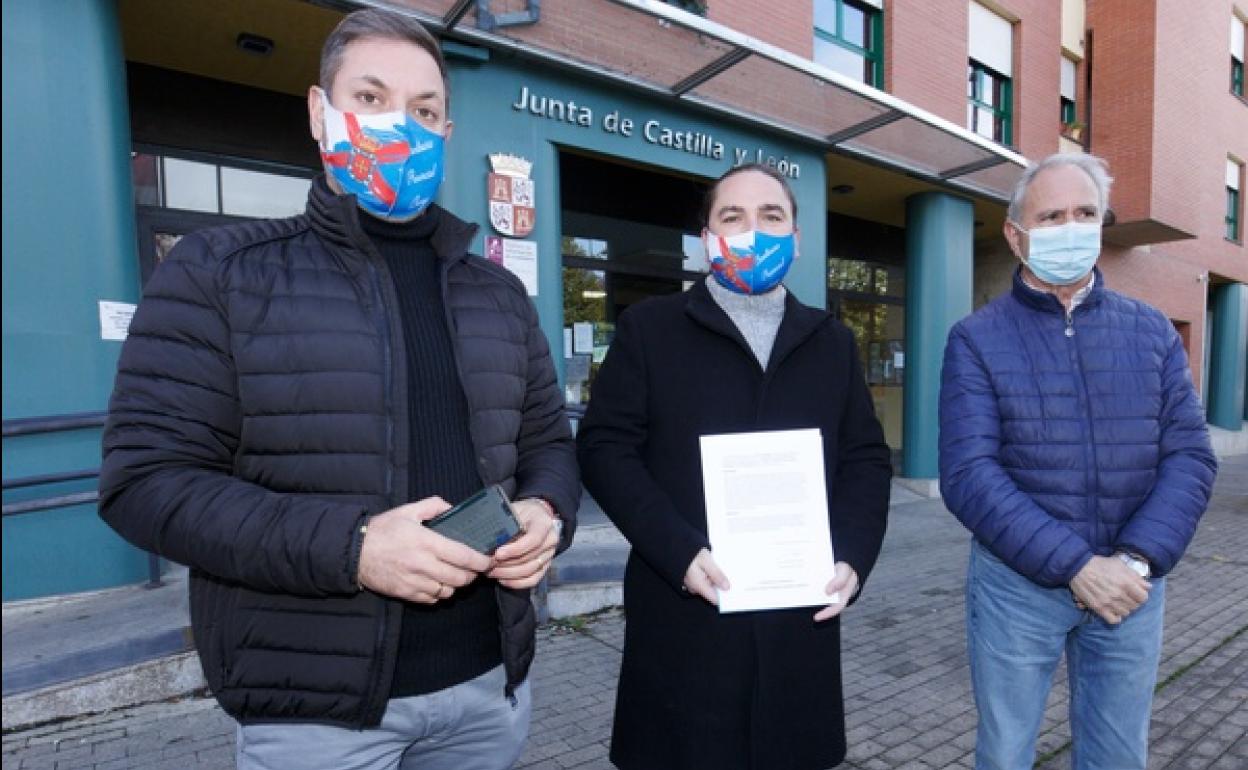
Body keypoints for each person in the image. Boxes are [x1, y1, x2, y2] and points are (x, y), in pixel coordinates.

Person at [98, 9, 579, 770]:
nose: (401, 126)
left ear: (447, 133)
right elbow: (145, 484)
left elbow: (548, 439)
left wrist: (547, 510)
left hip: (489, 689)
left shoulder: (498, 293)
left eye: (424, 111)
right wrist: (352, 548)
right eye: (371, 98)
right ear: (320, 114)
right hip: (316, 713)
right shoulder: (217, 272)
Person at [576, 164, 892, 770]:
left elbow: (865, 458)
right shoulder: (651, 329)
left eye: (771, 217)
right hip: (686, 614)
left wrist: (853, 554)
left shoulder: (831, 341)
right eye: (733, 217)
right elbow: (604, 447)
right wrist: (677, 550)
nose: (753, 231)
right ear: (705, 239)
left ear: (796, 239)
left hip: (798, 619)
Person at [939, 152, 1217, 770]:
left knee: (1118, 754)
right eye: (1052, 215)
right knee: (1006, 753)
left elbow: (1190, 456)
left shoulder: (1151, 332)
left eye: (1085, 213)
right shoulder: (976, 339)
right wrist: (1074, 565)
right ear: (1016, 236)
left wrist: (1134, 560)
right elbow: (969, 475)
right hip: (1018, 588)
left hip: (1129, 586)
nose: (1071, 227)